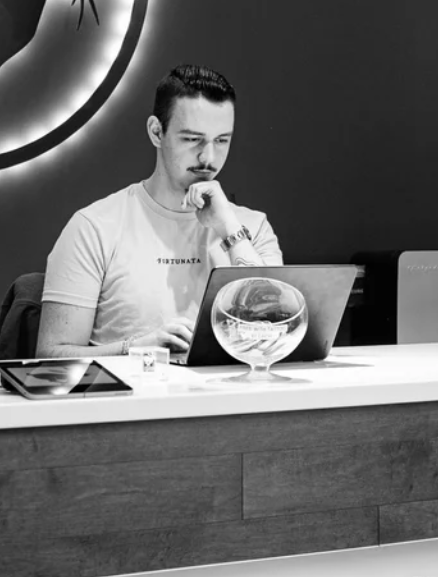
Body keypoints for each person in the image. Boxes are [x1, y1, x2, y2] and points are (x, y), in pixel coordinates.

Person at [36, 64, 282, 357]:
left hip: (235, 387)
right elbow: (50, 355)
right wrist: (137, 349)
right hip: (131, 387)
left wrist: (229, 228)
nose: (208, 157)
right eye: (192, 139)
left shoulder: (251, 227)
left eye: (221, 140)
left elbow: (277, 331)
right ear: (156, 132)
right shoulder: (95, 226)